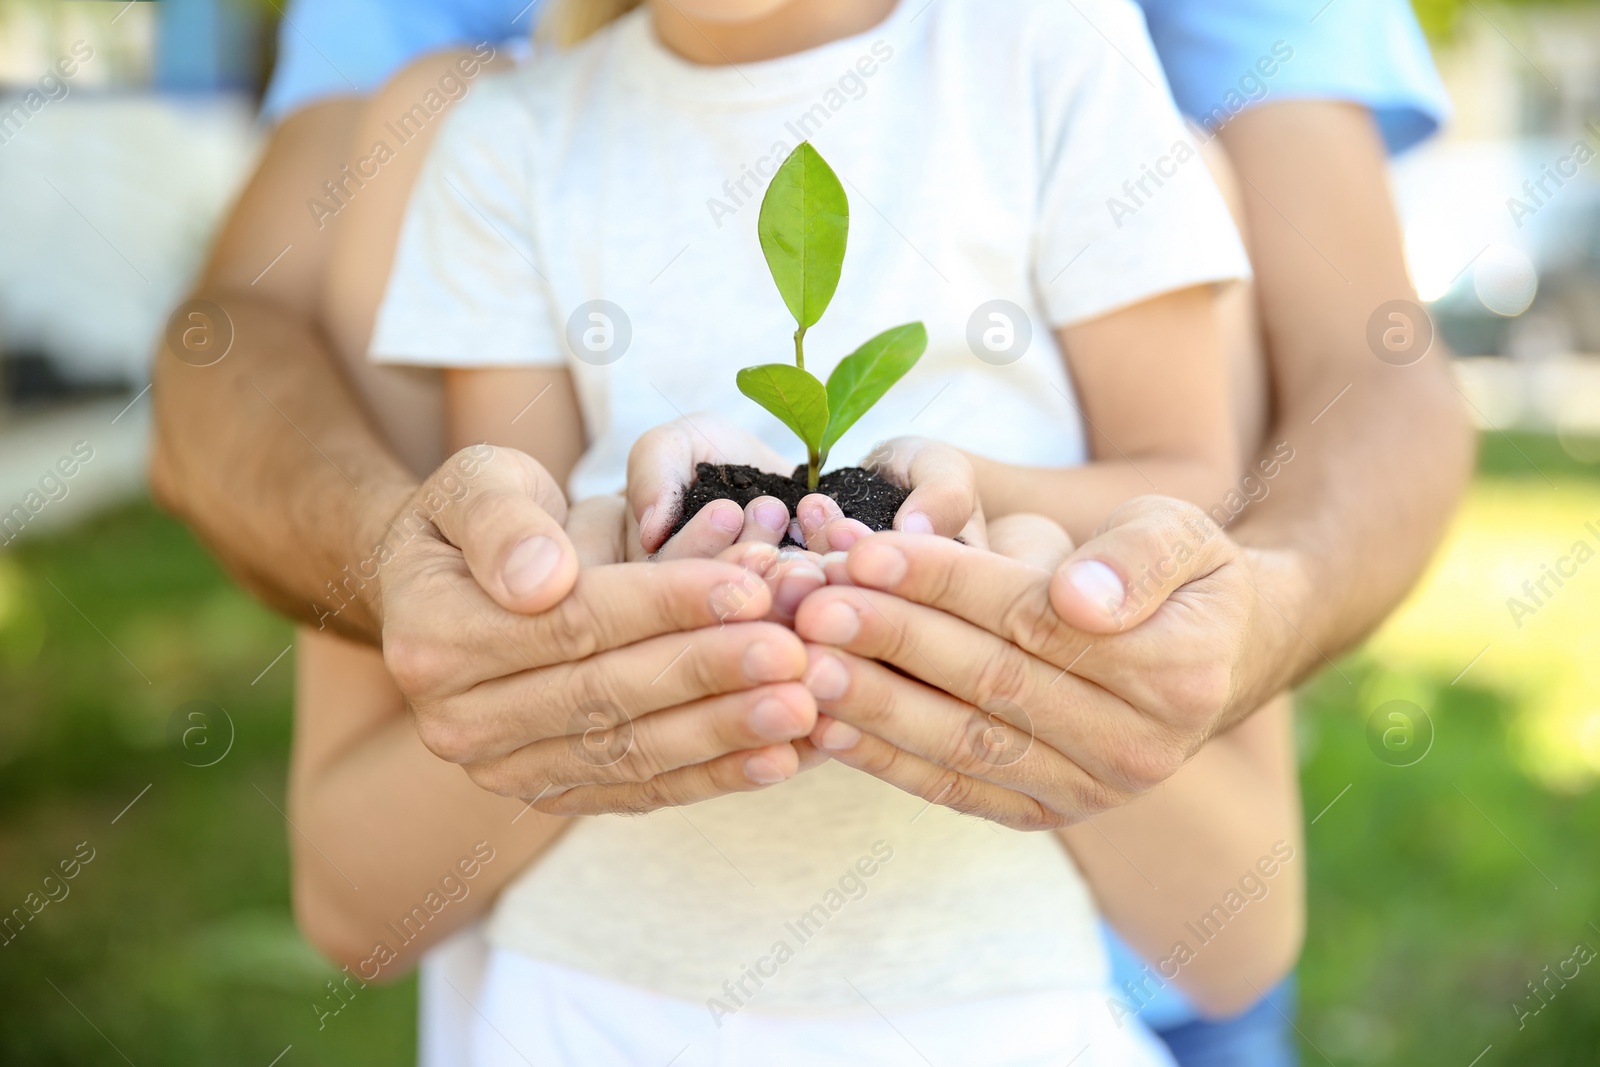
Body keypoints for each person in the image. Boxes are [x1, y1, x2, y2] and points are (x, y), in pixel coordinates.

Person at [146, 0, 1470, 1061]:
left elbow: (1192, 504)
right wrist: (625, 555)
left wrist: (967, 531)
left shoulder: (1068, 71)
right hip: (588, 1008)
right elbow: (512, 581)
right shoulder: (493, 149)